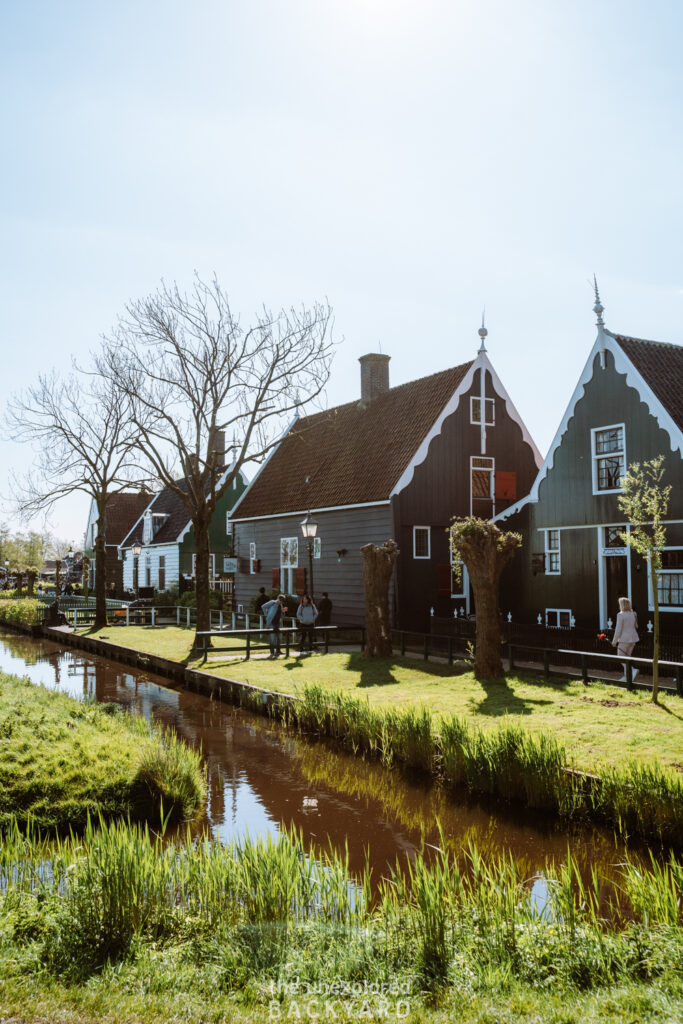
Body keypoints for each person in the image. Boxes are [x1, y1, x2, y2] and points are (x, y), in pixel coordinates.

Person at [612, 596, 639, 683]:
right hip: (633, 639)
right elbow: (636, 626)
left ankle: (632, 670)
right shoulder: (633, 614)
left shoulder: (620, 615)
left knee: (620, 657)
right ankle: (627, 677)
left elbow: (618, 629)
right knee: (627, 658)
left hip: (624, 640)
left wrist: (614, 641)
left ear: (622, 605)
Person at [262, 594, 287, 658]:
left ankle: (278, 651)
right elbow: (263, 606)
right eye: (280, 600)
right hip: (271, 623)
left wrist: (283, 612)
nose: (280, 602)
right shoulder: (272, 602)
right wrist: (266, 615)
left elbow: (281, 616)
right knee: (272, 638)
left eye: (282, 601)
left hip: (278, 623)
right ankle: (272, 652)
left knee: (279, 637)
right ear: (278, 599)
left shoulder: (280, 605)